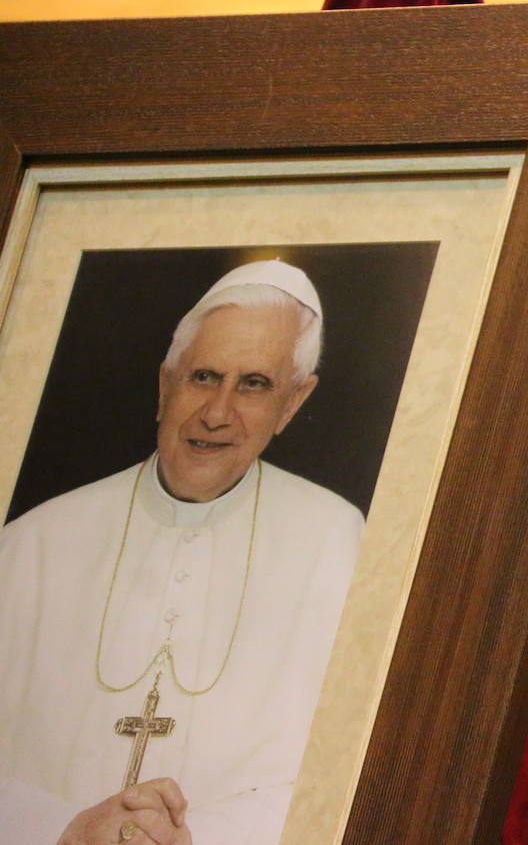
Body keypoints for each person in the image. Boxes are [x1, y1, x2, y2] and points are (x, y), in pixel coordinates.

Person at [0, 259, 363, 844]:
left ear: (292, 404)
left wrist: (195, 839)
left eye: (254, 384)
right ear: (165, 384)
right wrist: (62, 829)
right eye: (203, 376)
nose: (217, 414)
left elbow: (352, 769)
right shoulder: (31, 545)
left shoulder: (342, 547)